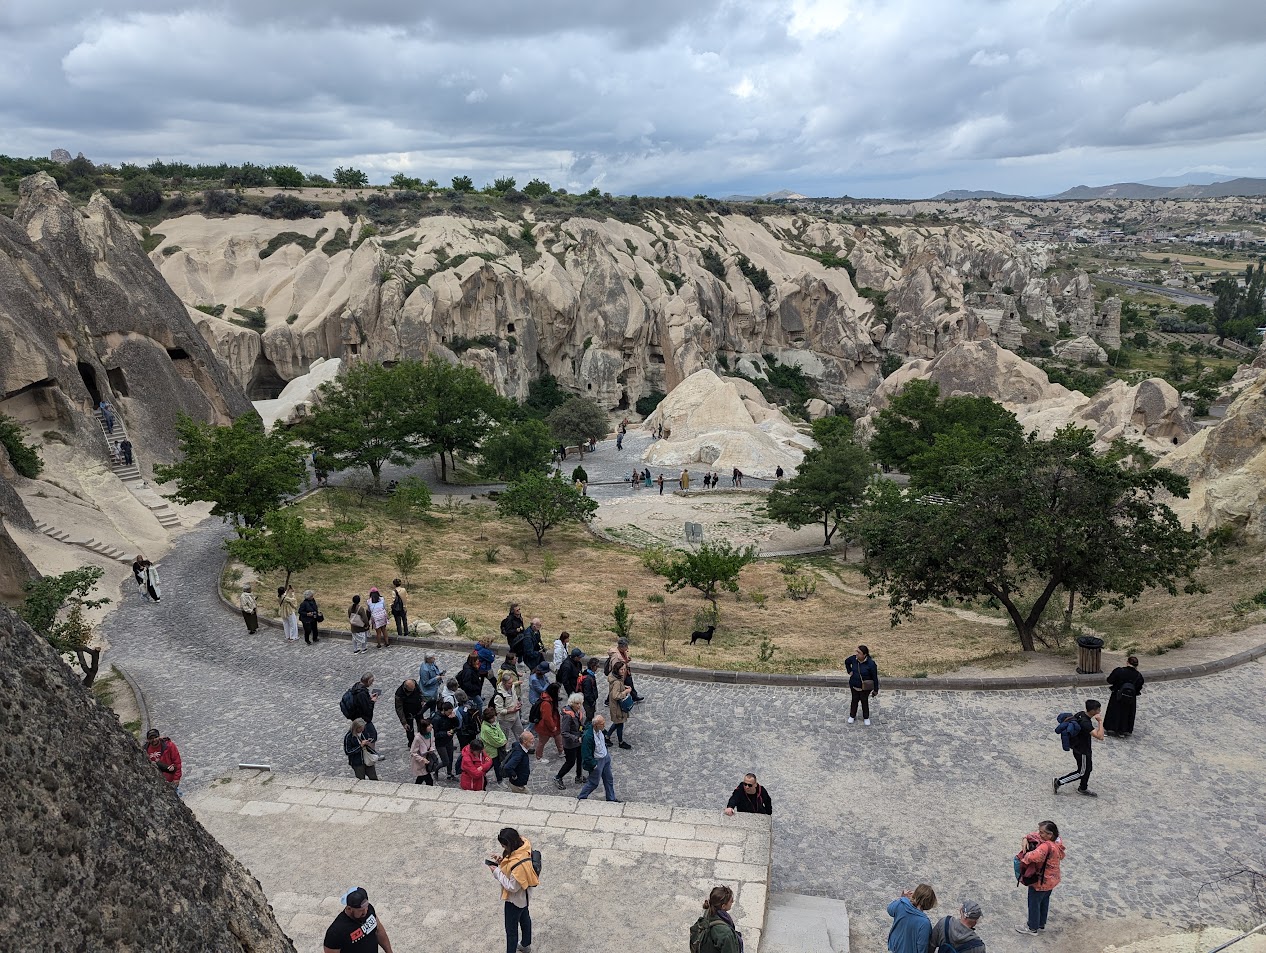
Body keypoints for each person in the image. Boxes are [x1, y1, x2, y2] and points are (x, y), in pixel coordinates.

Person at [489, 827, 539, 953]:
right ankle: (525, 944)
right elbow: (513, 863)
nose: (503, 848)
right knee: (524, 918)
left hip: (515, 901)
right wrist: (502, 860)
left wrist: (496, 872)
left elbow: (513, 886)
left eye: (504, 846)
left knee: (511, 931)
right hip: (525, 897)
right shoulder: (523, 846)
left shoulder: (518, 866)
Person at [1015, 821, 1064, 935]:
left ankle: (1032, 927)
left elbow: (1030, 857)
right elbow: (1034, 835)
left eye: (1042, 832)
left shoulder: (1045, 847)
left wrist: (1024, 855)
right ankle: (1041, 923)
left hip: (1041, 881)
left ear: (1049, 835)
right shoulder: (1057, 842)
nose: (1039, 834)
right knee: (1044, 901)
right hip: (1052, 880)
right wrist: (1025, 837)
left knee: (1034, 903)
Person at [1054, 699, 1105, 795]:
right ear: (1093, 711)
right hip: (1082, 750)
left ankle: (1083, 787)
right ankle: (1059, 782)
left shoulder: (1080, 714)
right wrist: (1100, 722)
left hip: (1078, 747)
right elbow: (1100, 736)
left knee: (1087, 769)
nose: (1100, 711)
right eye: (1098, 709)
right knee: (1081, 772)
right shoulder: (1085, 723)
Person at [322, 886, 395, 953]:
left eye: (366, 907)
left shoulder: (369, 910)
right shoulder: (336, 931)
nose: (365, 911)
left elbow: (378, 931)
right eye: (360, 910)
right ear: (349, 909)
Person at [577, 714, 618, 802]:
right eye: (602, 724)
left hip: (605, 757)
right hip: (597, 761)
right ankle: (581, 797)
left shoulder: (601, 730)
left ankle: (611, 799)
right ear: (596, 725)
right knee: (593, 782)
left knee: (609, 779)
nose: (604, 725)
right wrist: (594, 765)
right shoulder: (588, 737)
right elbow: (586, 754)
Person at [689, 885, 742, 953]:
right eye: (731, 901)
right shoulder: (726, 933)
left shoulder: (710, 910)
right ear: (723, 906)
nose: (733, 902)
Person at [887, 884, 936, 953]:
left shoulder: (901, 904)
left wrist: (902, 898)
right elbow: (922, 948)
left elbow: (890, 909)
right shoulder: (924, 923)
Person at [1104, 655, 1145, 737]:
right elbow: (1139, 687)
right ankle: (1123, 730)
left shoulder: (1119, 671)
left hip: (1117, 695)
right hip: (1130, 698)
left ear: (1127, 662)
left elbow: (1110, 680)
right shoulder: (1138, 676)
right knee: (1126, 713)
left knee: (1114, 711)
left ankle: (1111, 728)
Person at [554, 693, 586, 789]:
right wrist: (576, 738)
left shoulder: (577, 712)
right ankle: (558, 777)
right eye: (577, 703)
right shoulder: (568, 716)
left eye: (580, 703)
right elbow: (564, 732)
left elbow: (580, 725)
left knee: (580, 759)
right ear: (572, 703)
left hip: (578, 741)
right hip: (570, 743)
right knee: (570, 762)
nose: (579, 706)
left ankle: (579, 776)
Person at [845, 644, 879, 725]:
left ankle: (866, 717)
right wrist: (849, 671)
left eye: (859, 652)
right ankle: (852, 716)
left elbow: (875, 677)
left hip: (865, 688)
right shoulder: (853, 659)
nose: (857, 654)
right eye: (857, 651)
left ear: (864, 655)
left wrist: (876, 689)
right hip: (854, 685)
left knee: (864, 701)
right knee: (854, 700)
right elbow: (846, 662)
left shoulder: (871, 664)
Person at [608, 636, 645, 702]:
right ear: (622, 647)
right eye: (626, 646)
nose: (627, 648)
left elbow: (623, 661)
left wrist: (626, 661)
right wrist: (620, 674)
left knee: (630, 684)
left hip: (626, 672)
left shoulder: (623, 652)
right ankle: (608, 700)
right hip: (621, 674)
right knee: (617, 687)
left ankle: (634, 697)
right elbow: (615, 667)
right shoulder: (615, 656)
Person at [606, 658, 633, 749]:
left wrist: (623, 686)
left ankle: (607, 736)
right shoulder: (617, 681)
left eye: (624, 669)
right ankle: (621, 742)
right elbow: (615, 695)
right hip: (617, 707)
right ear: (617, 670)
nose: (623, 671)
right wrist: (625, 692)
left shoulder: (614, 677)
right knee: (620, 723)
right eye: (621, 669)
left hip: (616, 705)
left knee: (617, 723)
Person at [533, 682, 563, 760]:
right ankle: (539, 757)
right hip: (546, 727)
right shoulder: (546, 703)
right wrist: (553, 727)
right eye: (558, 691)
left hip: (554, 723)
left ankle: (561, 751)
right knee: (542, 742)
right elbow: (547, 718)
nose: (559, 693)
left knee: (558, 737)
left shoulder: (549, 699)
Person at [481, 704, 509, 784]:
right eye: (492, 718)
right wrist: (503, 742)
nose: (494, 718)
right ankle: (481, 774)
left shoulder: (493, 723)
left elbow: (500, 731)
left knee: (496, 764)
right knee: (493, 764)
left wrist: (504, 739)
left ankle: (499, 779)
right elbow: (494, 741)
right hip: (492, 751)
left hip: (496, 750)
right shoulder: (486, 729)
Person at [494, 668, 525, 739]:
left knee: (521, 735)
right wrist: (511, 710)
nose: (511, 685)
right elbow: (499, 711)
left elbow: (514, 697)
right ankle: (504, 750)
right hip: (506, 720)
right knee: (504, 738)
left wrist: (518, 702)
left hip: (515, 717)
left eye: (512, 682)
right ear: (504, 683)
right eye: (509, 683)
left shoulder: (512, 686)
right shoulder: (499, 696)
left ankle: (523, 749)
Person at [394, 678, 425, 747]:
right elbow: (399, 709)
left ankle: (422, 740)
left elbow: (420, 691)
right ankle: (412, 744)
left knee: (422, 725)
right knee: (409, 730)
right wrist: (404, 722)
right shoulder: (399, 694)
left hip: (418, 709)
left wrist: (422, 699)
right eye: (411, 690)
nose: (413, 690)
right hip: (408, 713)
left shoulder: (414, 684)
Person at [409, 718, 438, 785]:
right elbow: (412, 752)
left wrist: (432, 748)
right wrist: (422, 759)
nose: (431, 726)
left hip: (428, 759)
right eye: (428, 725)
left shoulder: (431, 731)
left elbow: (433, 740)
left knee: (421, 777)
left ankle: (415, 788)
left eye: (430, 724)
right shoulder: (417, 738)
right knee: (429, 780)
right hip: (420, 762)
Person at [418, 652, 445, 717]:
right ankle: (421, 714)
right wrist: (436, 678)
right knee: (431, 703)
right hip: (429, 691)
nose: (434, 659)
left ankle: (430, 715)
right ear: (428, 659)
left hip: (434, 689)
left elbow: (435, 671)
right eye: (432, 658)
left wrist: (440, 674)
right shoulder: (425, 669)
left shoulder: (432, 663)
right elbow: (425, 683)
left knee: (433, 703)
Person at [578, 656, 600, 722]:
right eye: (597, 666)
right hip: (589, 702)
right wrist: (592, 701)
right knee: (589, 717)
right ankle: (586, 729)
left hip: (590, 701)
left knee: (590, 716)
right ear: (593, 666)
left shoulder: (589, 674)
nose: (597, 668)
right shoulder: (588, 679)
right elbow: (587, 693)